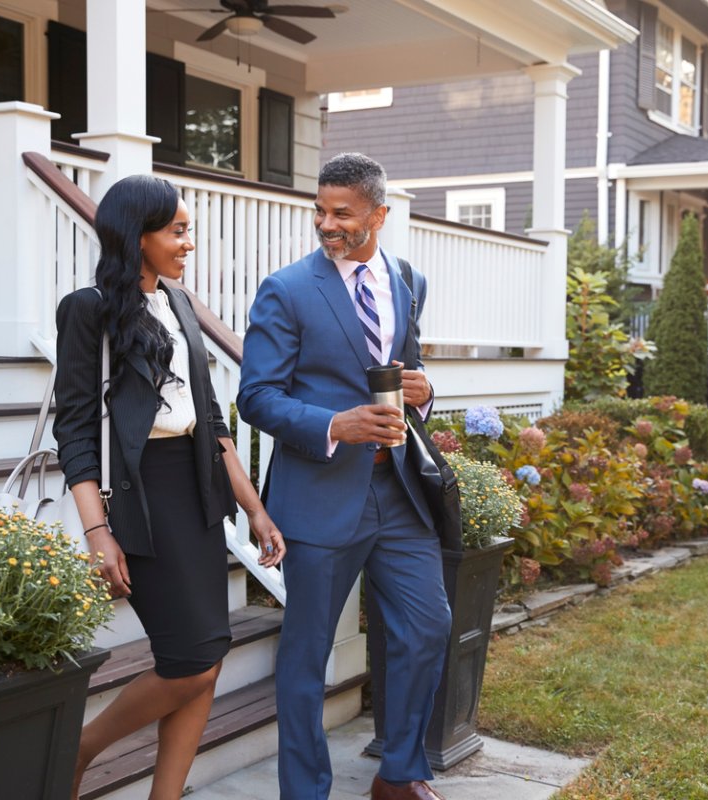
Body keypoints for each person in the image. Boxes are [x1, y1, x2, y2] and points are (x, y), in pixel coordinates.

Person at [54, 174, 286, 800]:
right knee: (188, 660)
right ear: (138, 236)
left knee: (207, 661)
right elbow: (74, 431)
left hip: (199, 487)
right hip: (142, 493)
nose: (188, 243)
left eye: (189, 231)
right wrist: (97, 532)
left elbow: (211, 422)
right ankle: (78, 749)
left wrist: (254, 509)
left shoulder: (180, 304)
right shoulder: (88, 309)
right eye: (177, 231)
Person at [238, 153, 452, 800]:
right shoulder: (286, 289)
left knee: (429, 626)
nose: (327, 225)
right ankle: (305, 791)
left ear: (379, 215)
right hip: (320, 496)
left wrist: (424, 390)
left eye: (343, 214)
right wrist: (337, 425)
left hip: (399, 491)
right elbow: (257, 396)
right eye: (320, 211)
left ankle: (400, 774)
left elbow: (404, 372)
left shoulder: (408, 279)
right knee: (306, 657)